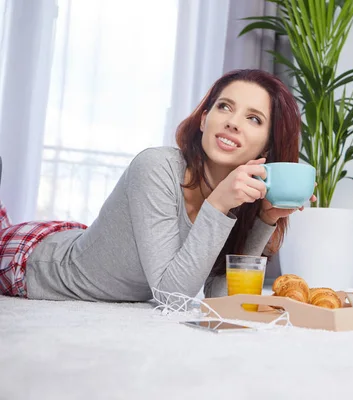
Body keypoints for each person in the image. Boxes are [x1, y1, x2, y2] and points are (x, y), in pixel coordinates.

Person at [0, 69, 315, 302]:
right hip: (29, 262)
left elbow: (221, 297)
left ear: (266, 149)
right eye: (224, 107)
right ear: (204, 120)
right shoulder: (156, 167)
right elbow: (171, 296)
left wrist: (265, 219)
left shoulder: (240, 197)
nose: (232, 121)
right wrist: (217, 205)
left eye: (254, 119)